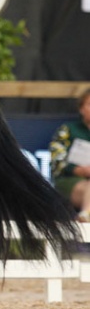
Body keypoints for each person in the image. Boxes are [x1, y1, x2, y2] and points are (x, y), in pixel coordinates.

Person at [49, 89, 90, 222]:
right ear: (81, 109)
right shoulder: (68, 130)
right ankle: (85, 217)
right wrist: (76, 169)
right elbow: (56, 160)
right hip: (70, 181)